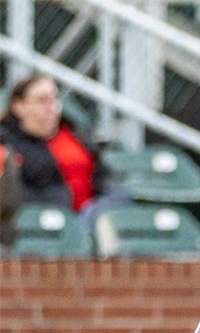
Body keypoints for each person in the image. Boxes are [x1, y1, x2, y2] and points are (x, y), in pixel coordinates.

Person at [0, 73, 129, 229]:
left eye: (54, 99)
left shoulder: (74, 132)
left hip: (94, 213)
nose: (51, 107)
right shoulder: (7, 143)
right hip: (48, 223)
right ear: (18, 106)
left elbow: (104, 175)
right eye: (42, 100)